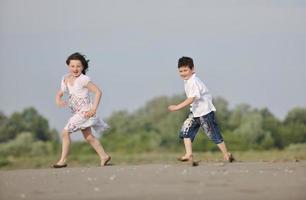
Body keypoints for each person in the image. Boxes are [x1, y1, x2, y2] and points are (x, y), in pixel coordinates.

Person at [168, 56, 234, 163]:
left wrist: (177, 107)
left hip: (205, 112)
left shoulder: (194, 81)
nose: (183, 73)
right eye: (180, 71)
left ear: (192, 69)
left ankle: (226, 155)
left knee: (213, 134)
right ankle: (189, 154)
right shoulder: (187, 81)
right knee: (186, 131)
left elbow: (191, 98)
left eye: (186, 70)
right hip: (195, 112)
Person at [53, 52, 111, 168]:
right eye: (72, 66)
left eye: (78, 66)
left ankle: (63, 160)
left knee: (65, 133)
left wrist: (94, 108)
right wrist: (58, 99)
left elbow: (98, 92)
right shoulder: (65, 79)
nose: (75, 69)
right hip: (77, 112)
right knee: (88, 137)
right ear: (68, 66)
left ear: (83, 67)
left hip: (85, 112)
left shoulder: (83, 80)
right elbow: (60, 93)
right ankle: (104, 156)